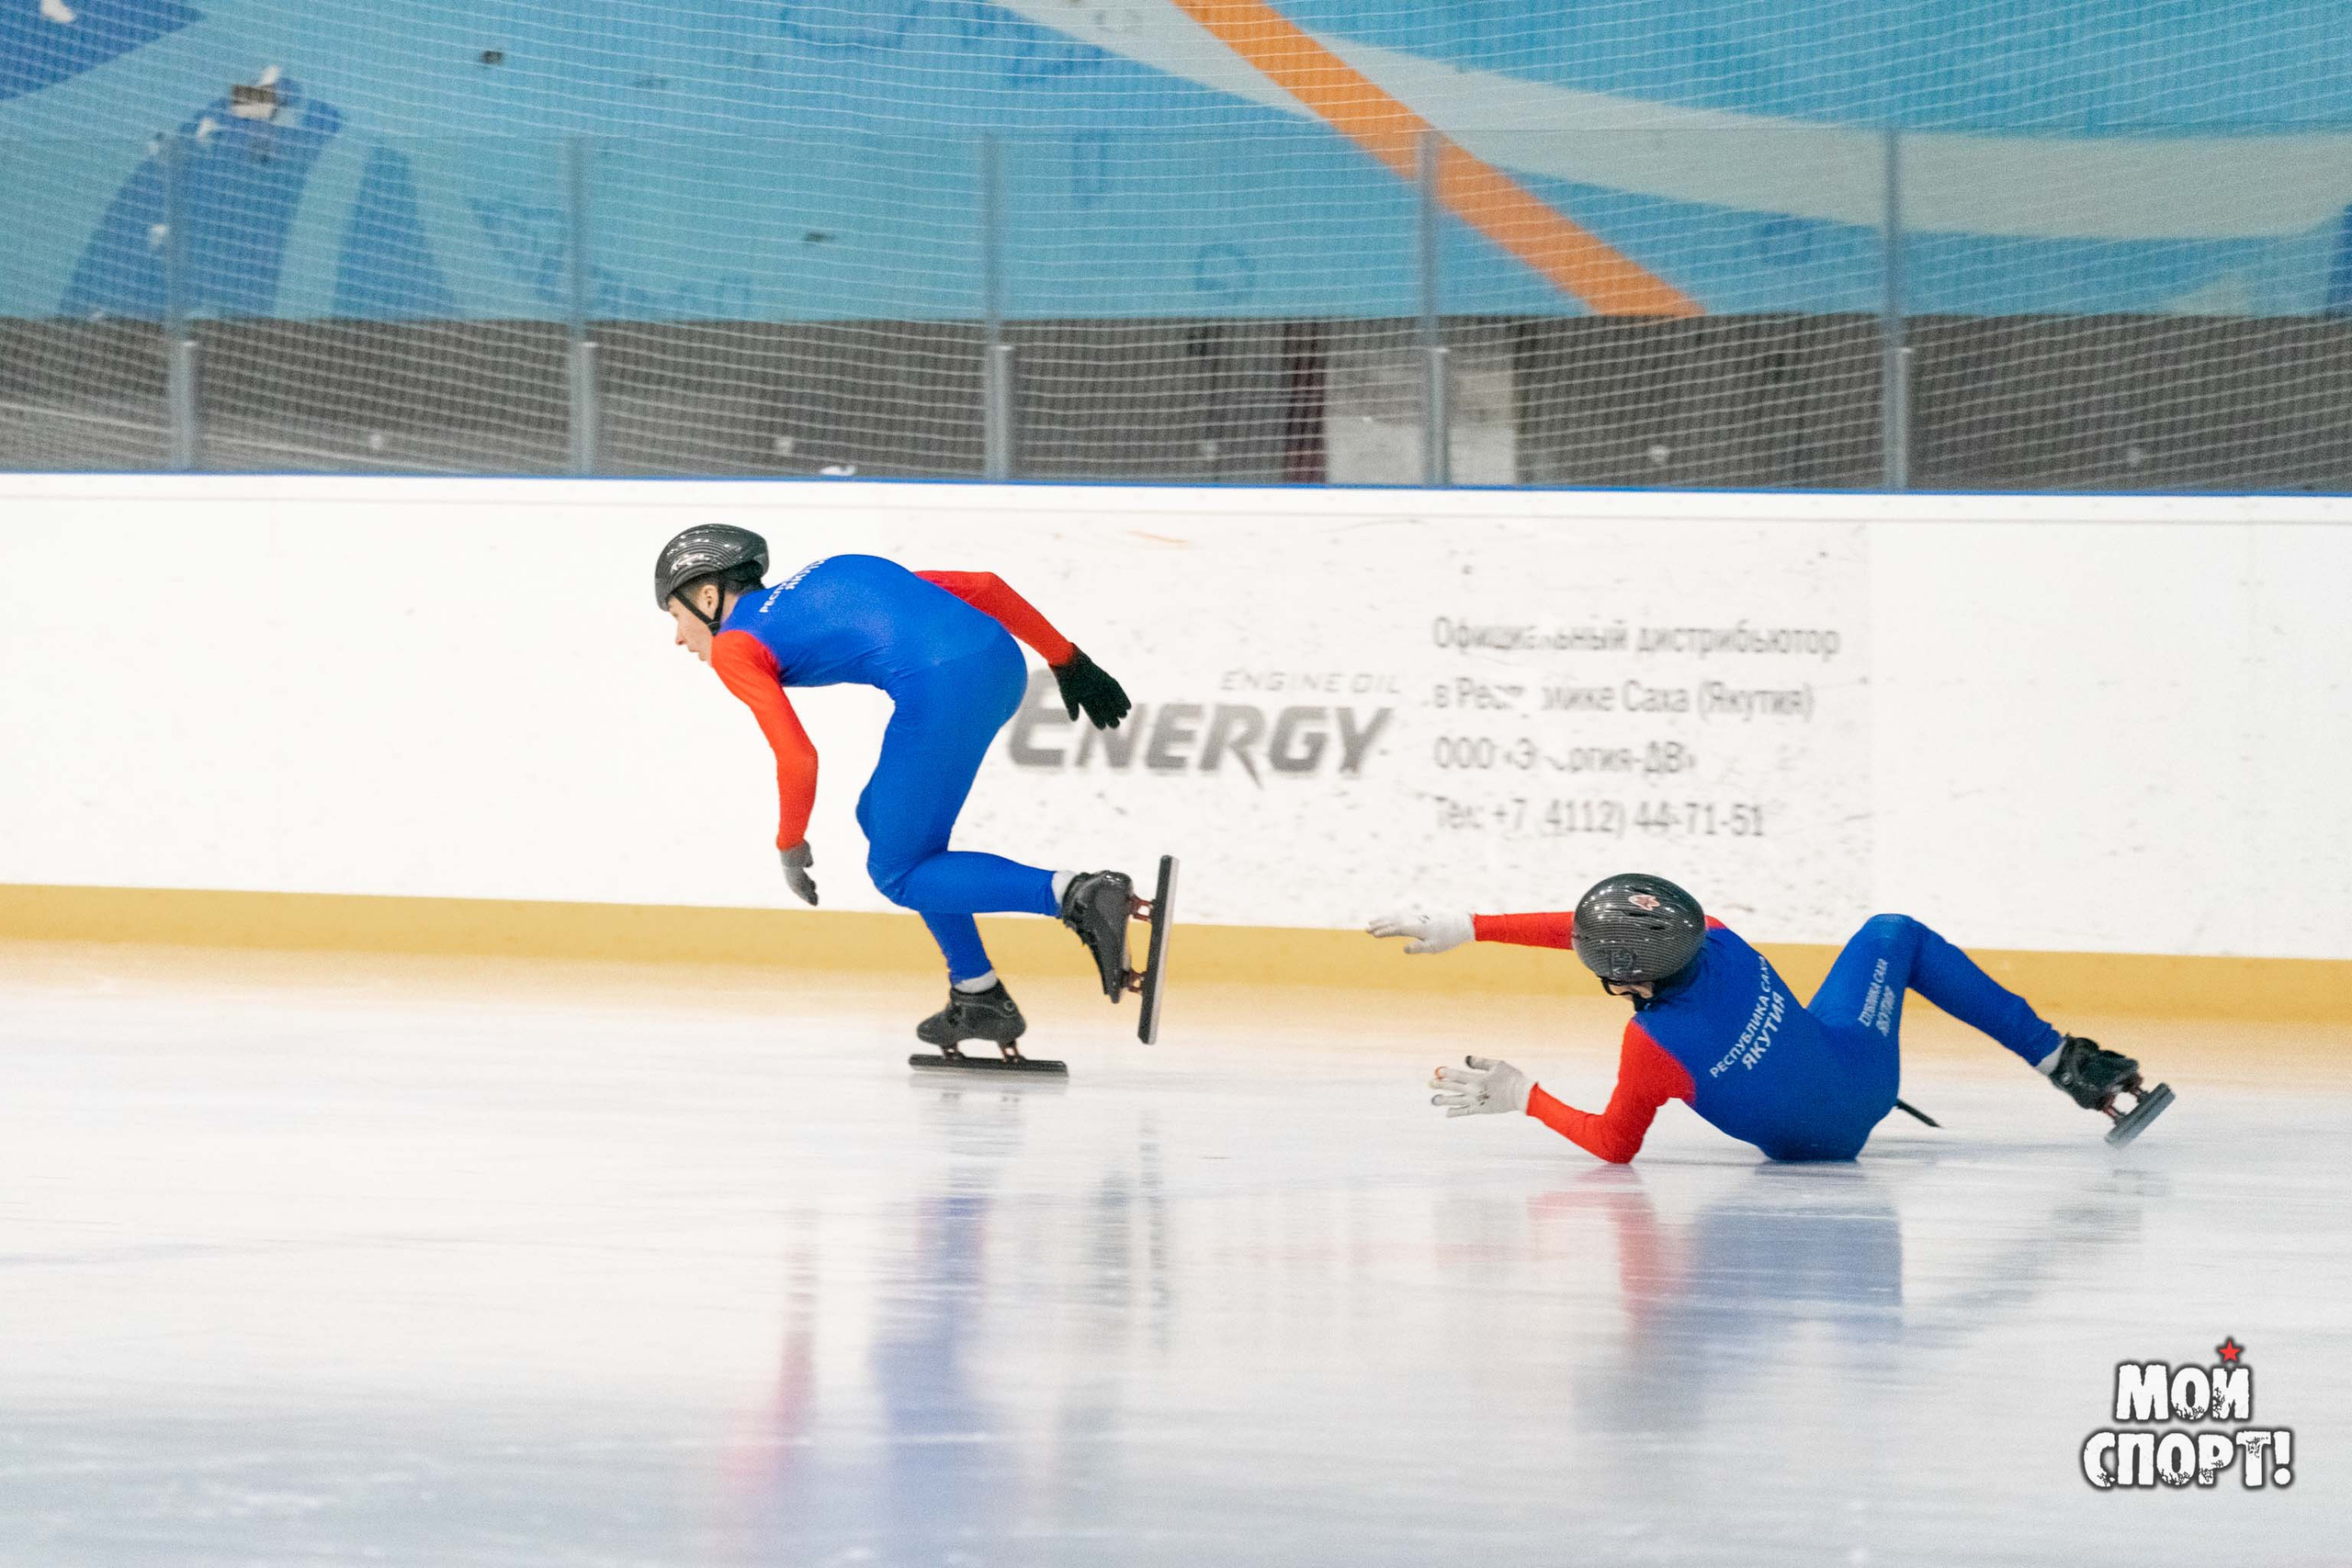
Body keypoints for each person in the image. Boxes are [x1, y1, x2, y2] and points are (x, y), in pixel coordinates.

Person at [656, 525, 1144, 1047]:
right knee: (880, 821)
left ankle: (1078, 894)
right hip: (1000, 662)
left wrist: (789, 845)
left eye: (677, 617)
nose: (679, 637)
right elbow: (983, 587)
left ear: (707, 595)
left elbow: (798, 758)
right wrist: (1067, 658)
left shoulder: (735, 646)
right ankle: (977, 992)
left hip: (941, 687)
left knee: (898, 873)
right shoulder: (830, 572)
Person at [1369, 874, 2161, 1162]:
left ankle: (2061, 1061)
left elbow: (1615, 1145)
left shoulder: (1651, 1047)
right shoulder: (1720, 937)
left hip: (1823, 1147)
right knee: (1895, 934)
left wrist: (1524, 1095)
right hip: (1864, 1065)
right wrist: (1472, 924)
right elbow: (1594, 931)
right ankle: (2067, 1062)